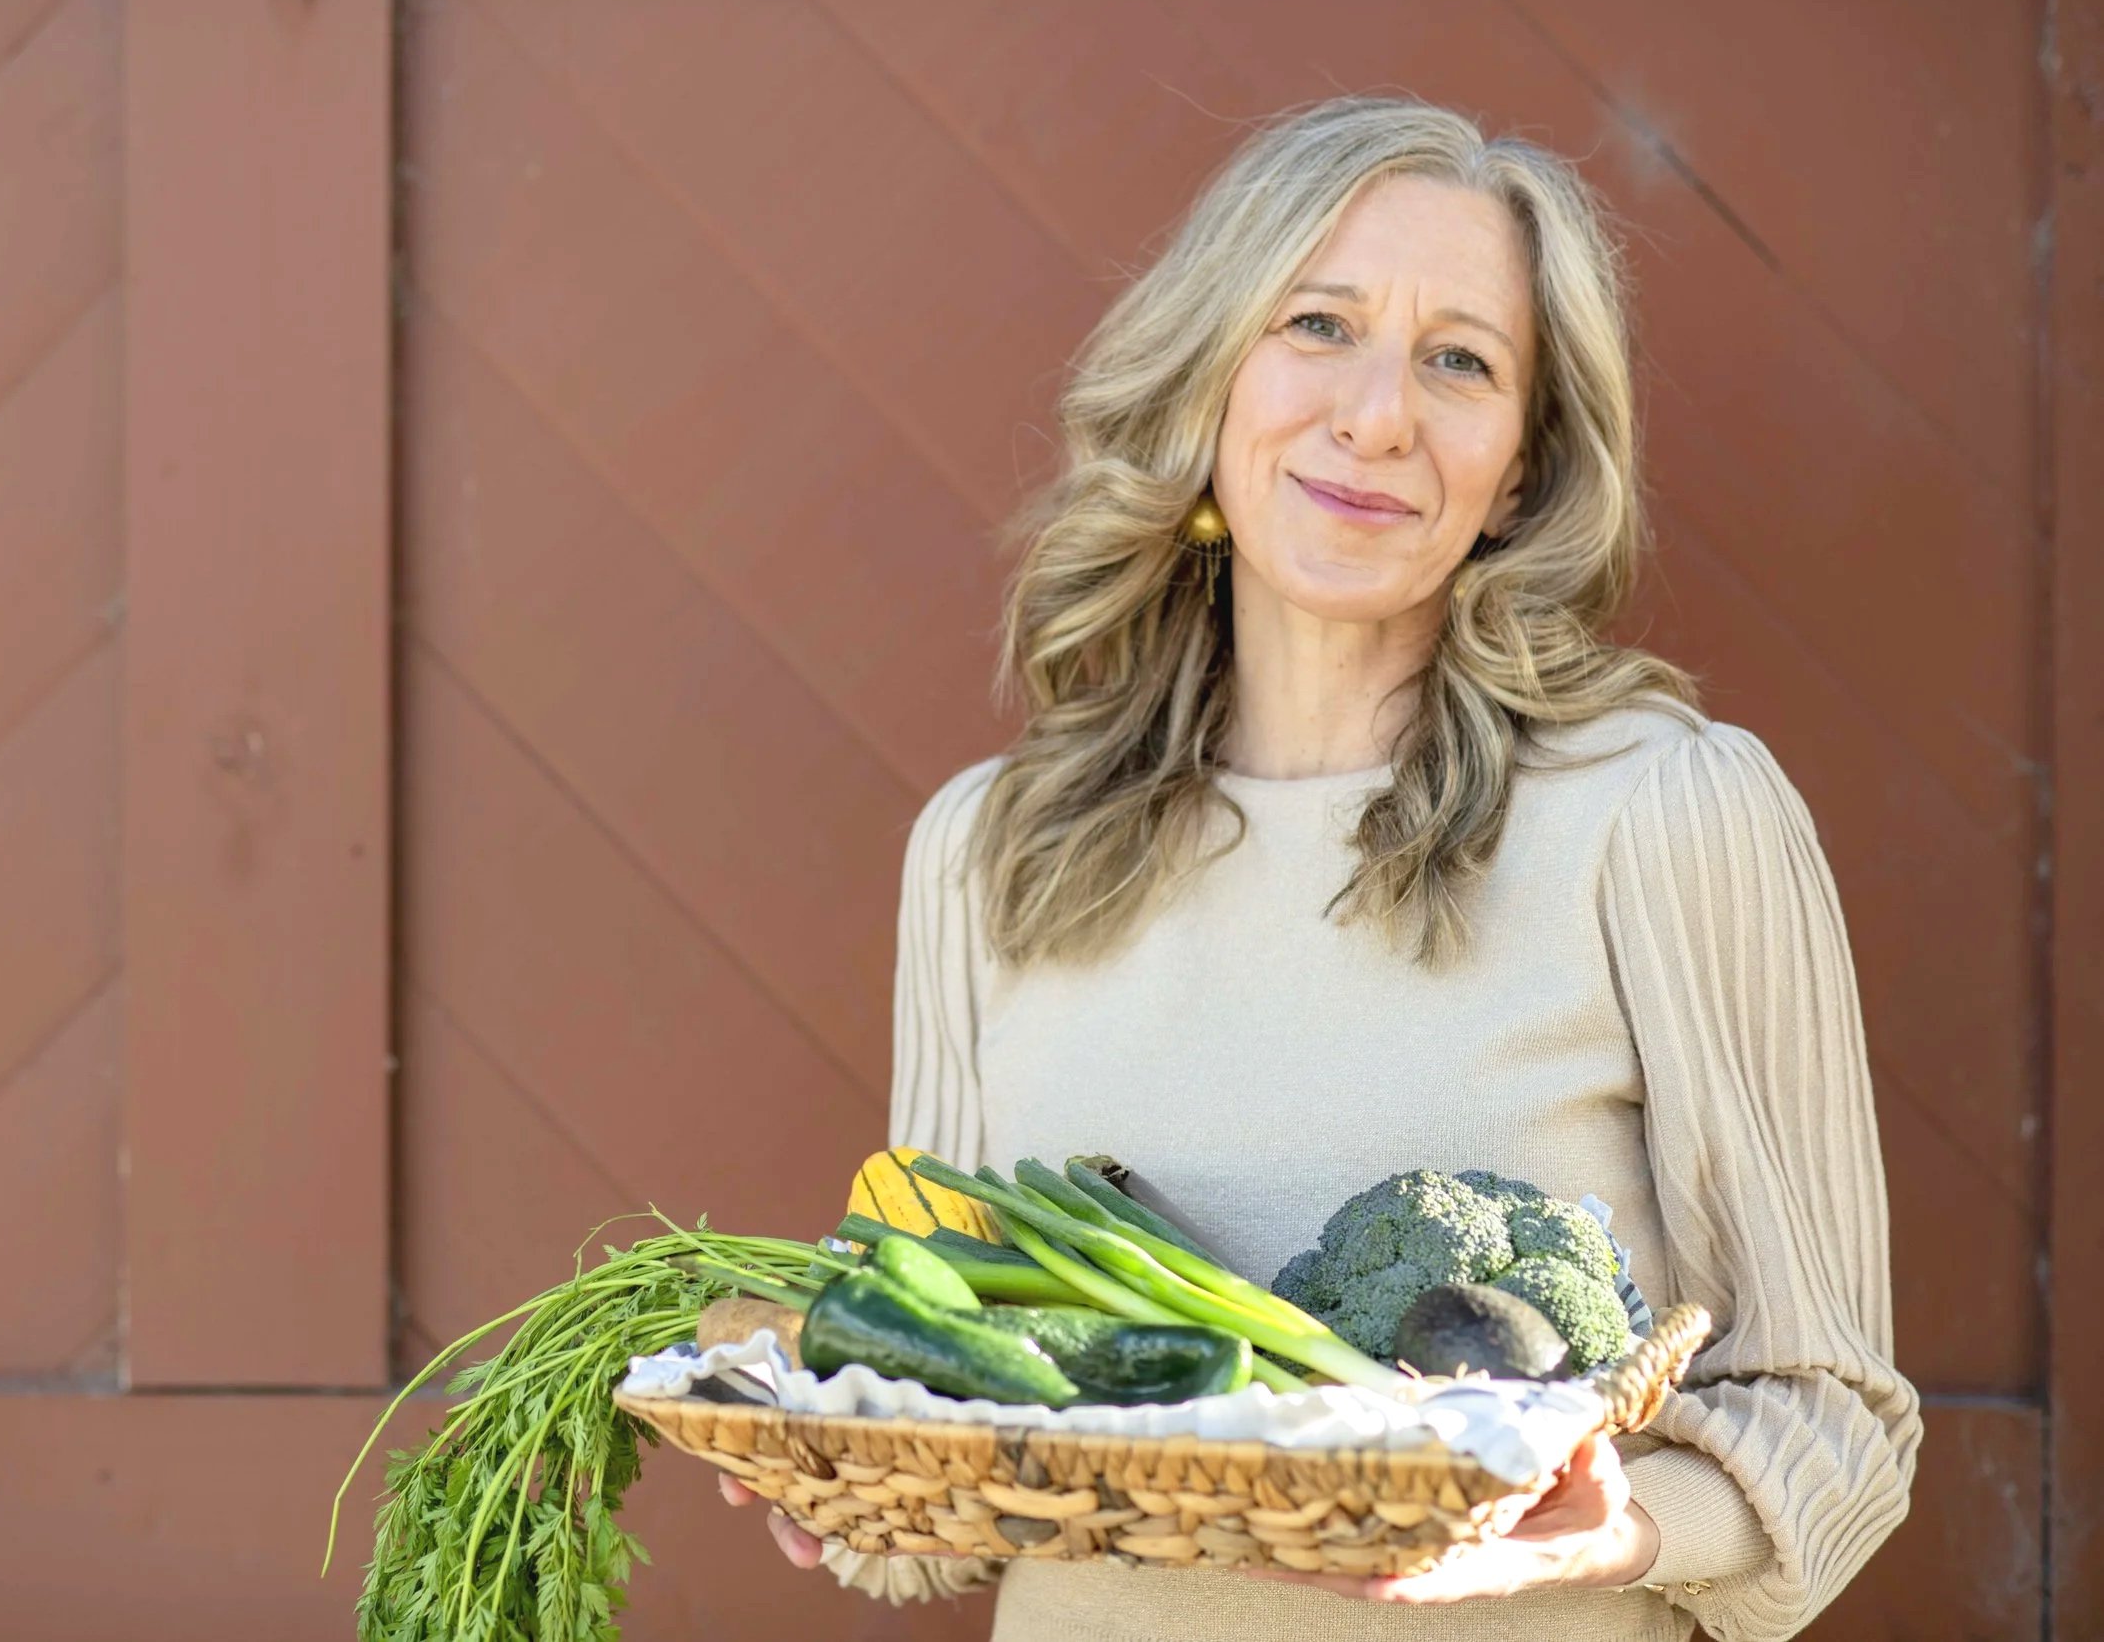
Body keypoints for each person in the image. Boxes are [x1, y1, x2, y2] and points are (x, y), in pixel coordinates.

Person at [719, 92, 1918, 1641]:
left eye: (1460, 361)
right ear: (1212, 372)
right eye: (1321, 324)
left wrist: (1607, 1535)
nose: (1377, 415)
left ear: (1523, 465)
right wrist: (841, 1477)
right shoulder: (990, 854)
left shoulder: (1665, 817)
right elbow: (950, 1449)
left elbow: (1836, 1419)